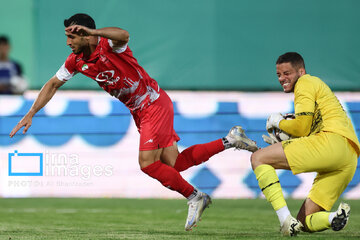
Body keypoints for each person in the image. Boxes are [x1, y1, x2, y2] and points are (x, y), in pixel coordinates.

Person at [9, 13, 258, 231]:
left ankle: (194, 196)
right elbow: (52, 84)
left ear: (85, 35)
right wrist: (31, 112)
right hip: (141, 111)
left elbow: (124, 34)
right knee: (175, 164)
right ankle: (230, 140)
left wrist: (94, 32)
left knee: (147, 163)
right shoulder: (75, 61)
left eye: (72, 37)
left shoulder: (109, 45)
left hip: (152, 103)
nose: (68, 42)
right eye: (67, 37)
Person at [252, 52, 359, 236]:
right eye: (279, 75)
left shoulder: (305, 82)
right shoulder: (316, 87)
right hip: (348, 157)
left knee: (259, 158)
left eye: (287, 73)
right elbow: (309, 128)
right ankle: (334, 217)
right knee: (305, 222)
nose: (282, 79)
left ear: (301, 71)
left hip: (330, 143)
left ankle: (285, 220)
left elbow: (301, 127)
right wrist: (287, 138)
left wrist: (278, 122)